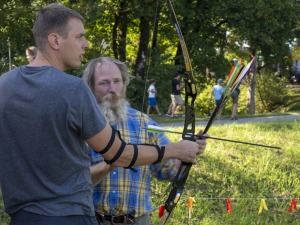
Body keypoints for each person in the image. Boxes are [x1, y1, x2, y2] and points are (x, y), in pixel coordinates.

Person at [0, 3, 206, 225]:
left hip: (22, 218)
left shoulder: (4, 85)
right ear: (55, 40)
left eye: (117, 81)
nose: (86, 45)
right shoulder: (73, 89)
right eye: (79, 37)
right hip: (70, 218)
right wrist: (176, 149)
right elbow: (120, 155)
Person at [83, 56, 188, 225]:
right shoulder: (81, 123)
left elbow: (167, 170)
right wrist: (113, 162)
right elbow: (73, 181)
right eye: (104, 83)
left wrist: (187, 152)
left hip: (137, 221)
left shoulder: (144, 122)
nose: (113, 89)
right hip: (92, 220)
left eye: (117, 81)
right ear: (90, 87)